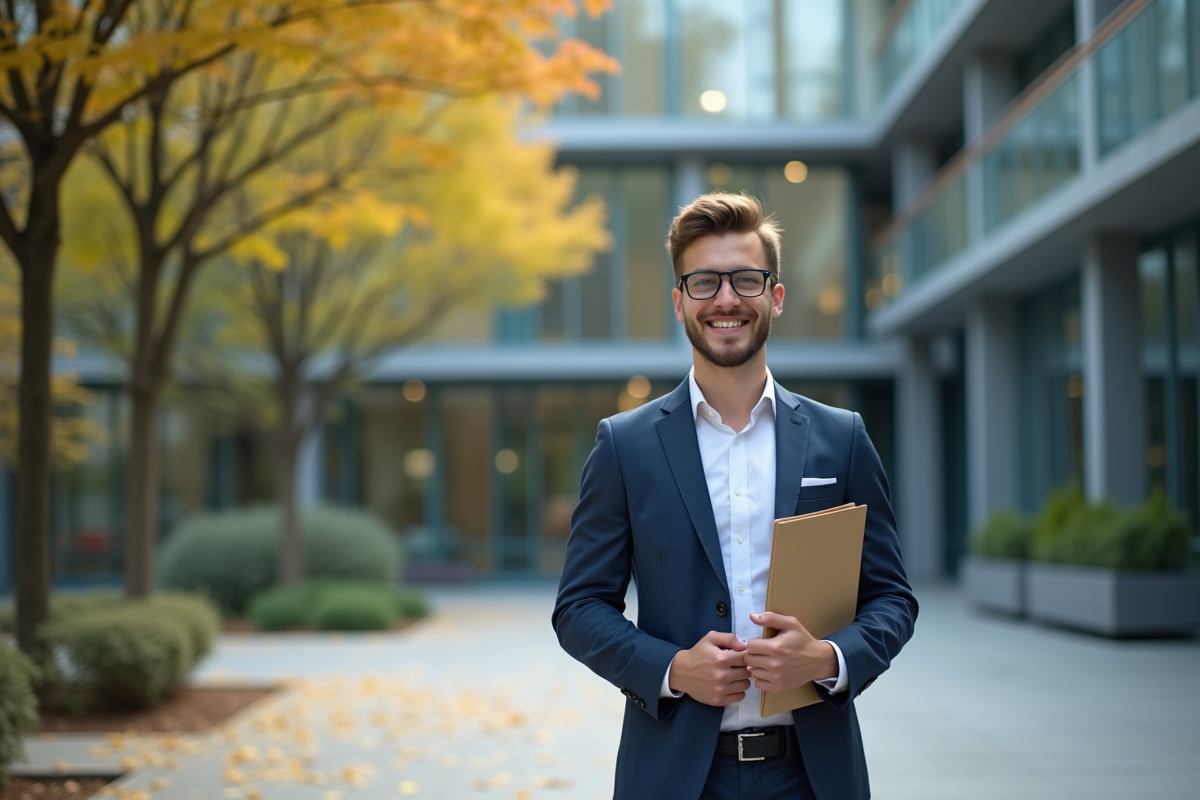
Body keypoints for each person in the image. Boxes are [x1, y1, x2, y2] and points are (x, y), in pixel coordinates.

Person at [552, 192, 917, 800]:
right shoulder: (626, 446)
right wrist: (671, 670)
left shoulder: (841, 438)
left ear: (775, 295)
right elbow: (580, 608)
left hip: (814, 774)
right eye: (704, 283)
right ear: (679, 303)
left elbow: (891, 598)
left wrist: (828, 658)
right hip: (674, 774)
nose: (726, 299)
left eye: (745, 279)